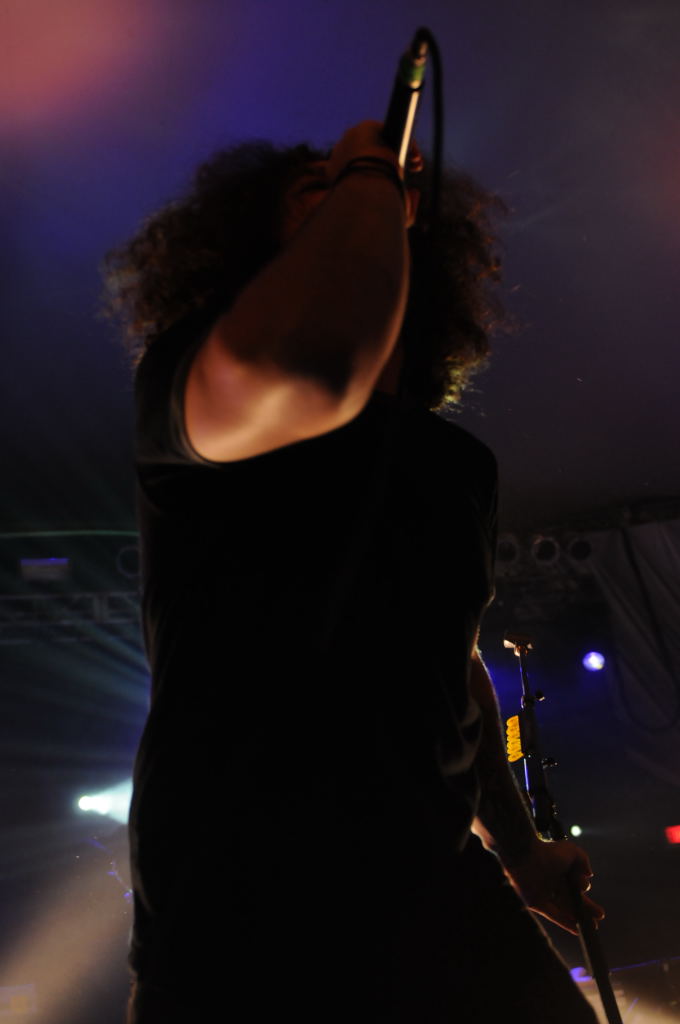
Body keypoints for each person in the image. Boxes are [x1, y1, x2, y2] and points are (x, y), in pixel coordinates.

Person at [104, 120, 604, 1022]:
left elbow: (452, 661)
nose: (356, 199)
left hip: (442, 904)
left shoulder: (457, 466)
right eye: (318, 191)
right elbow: (318, 359)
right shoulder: (196, 380)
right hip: (240, 920)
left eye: (364, 191)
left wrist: (522, 851)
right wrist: (369, 166)